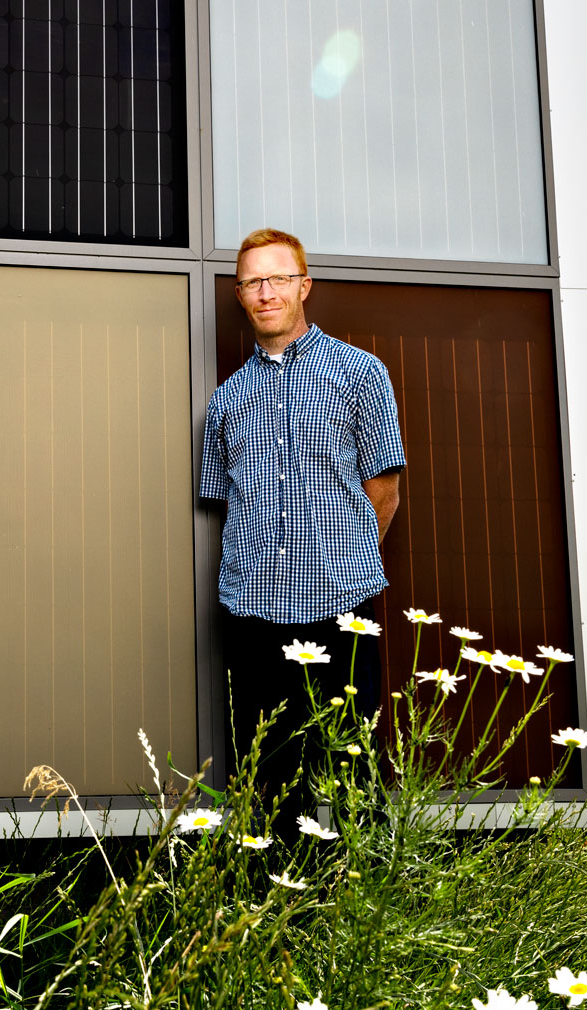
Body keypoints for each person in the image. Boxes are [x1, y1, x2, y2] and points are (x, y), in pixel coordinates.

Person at [198, 228, 405, 831]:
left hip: (341, 605)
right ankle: (277, 904)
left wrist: (345, 561)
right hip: (252, 614)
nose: (265, 292)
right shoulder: (225, 401)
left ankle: (357, 900)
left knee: (354, 768)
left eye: (277, 278)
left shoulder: (362, 374)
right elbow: (224, 502)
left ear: (303, 286)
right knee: (268, 773)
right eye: (251, 282)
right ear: (240, 296)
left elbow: (383, 489)